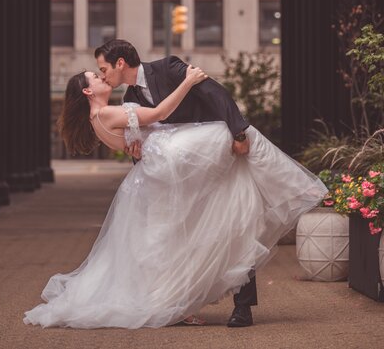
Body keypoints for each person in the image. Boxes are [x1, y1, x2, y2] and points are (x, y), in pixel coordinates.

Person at [23, 59, 327, 330]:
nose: (102, 77)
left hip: (158, 170)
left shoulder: (102, 116)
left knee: (170, 241)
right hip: (168, 161)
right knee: (226, 134)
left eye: (102, 71)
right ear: (88, 92)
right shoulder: (110, 111)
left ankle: (191, 298)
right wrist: (189, 81)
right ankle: (293, 184)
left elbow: (136, 139)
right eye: (96, 76)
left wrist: (135, 144)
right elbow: (159, 113)